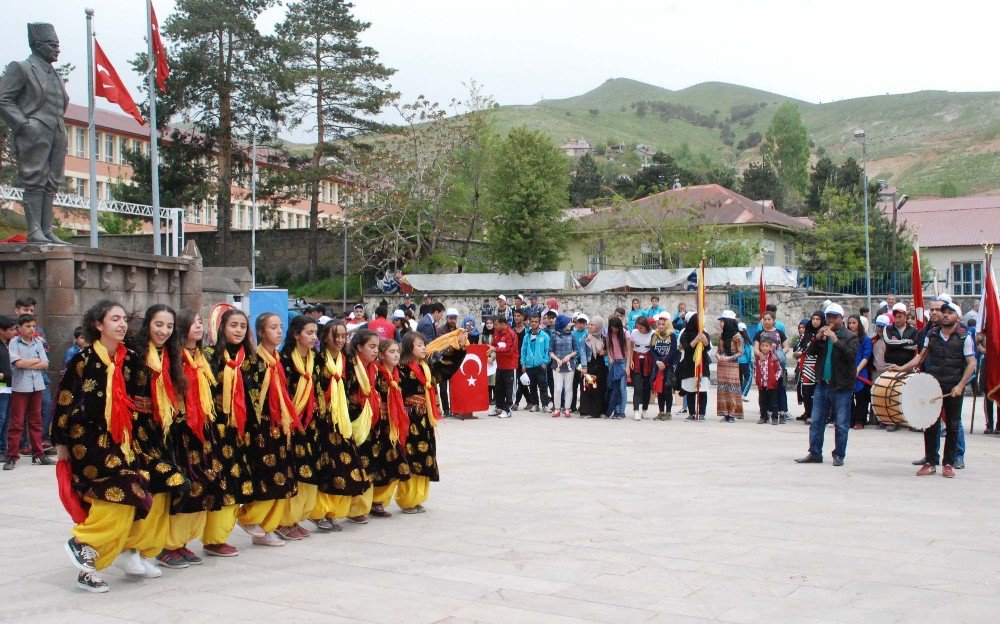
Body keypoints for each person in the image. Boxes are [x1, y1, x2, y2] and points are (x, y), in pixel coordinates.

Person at [54, 301, 154, 593]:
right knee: (121, 488)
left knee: (118, 500)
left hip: (120, 438)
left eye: (124, 319)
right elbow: (65, 400)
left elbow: (142, 399)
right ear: (98, 325)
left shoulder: (131, 359)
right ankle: (83, 541)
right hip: (87, 438)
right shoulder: (83, 360)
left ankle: (91, 566)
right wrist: (61, 442)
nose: (122, 324)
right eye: (114, 319)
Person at [158, 309, 227, 568]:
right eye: (193, 322)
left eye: (200, 322)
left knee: (204, 484)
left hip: (203, 429)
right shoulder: (173, 357)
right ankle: (167, 544)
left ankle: (183, 542)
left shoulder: (200, 357)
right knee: (184, 486)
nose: (198, 326)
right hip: (181, 431)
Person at [126, 305, 190, 572]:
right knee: (146, 486)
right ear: (147, 325)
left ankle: (145, 550)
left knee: (165, 490)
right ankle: (129, 548)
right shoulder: (133, 353)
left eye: (169, 326)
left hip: (162, 431)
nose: (164, 331)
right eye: (158, 324)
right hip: (136, 430)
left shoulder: (171, 355)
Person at [0, 23, 70, 244]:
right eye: (53, 45)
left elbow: (61, 101)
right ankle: (34, 231)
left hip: (57, 130)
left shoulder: (54, 74)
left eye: (58, 45)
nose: (58, 50)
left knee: (53, 181)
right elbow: (4, 99)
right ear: (38, 45)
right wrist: (24, 125)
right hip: (35, 130)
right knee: (34, 179)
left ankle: (47, 230)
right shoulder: (21, 68)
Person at [892, 301, 976, 478]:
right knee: (930, 424)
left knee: (953, 426)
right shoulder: (932, 334)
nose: (945, 315)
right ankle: (930, 461)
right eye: (943, 312)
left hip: (953, 386)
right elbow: (920, 358)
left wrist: (961, 385)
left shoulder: (964, 337)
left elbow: (971, 364)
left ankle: (949, 463)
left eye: (949, 312)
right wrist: (901, 368)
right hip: (933, 386)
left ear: (958, 317)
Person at [235, 313, 299, 547]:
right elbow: (248, 395)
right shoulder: (253, 360)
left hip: (280, 425)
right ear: (261, 332)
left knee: (283, 476)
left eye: (281, 327)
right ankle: (249, 517)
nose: (279, 331)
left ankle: (267, 528)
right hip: (261, 427)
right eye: (273, 327)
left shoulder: (278, 358)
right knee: (265, 476)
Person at [201, 309, 256, 557]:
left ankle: (219, 536)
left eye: (242, 326)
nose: (238, 330)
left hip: (241, 430)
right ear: (222, 327)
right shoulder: (210, 356)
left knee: (238, 482)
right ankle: (212, 539)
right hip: (216, 429)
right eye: (233, 325)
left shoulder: (250, 358)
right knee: (220, 483)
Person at [396, 330, 467, 512]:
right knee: (411, 457)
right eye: (418, 345)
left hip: (425, 419)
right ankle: (407, 499)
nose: (423, 348)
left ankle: (417, 498)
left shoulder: (426, 367)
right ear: (408, 348)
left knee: (425, 456)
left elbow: (445, 368)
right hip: (409, 420)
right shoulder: (401, 369)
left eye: (423, 344)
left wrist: (459, 347)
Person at [309, 321, 368, 531]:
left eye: (344, 336)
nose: (341, 340)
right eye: (336, 336)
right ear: (325, 337)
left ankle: (334, 511)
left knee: (345, 466)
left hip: (341, 421)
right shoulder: (316, 359)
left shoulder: (347, 360)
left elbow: (352, 387)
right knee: (325, 468)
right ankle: (318, 513)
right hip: (322, 422)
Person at [276, 315, 325, 540]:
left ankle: (297, 518)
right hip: (291, 423)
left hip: (311, 423)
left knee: (309, 470)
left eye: (315, 333)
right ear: (296, 335)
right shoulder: (283, 360)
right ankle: (284, 520)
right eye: (309, 333)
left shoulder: (316, 359)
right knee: (293, 471)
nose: (314, 337)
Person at [795, 303, 859, 467]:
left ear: (841, 319)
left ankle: (839, 455)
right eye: (828, 317)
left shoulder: (850, 336)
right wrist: (817, 338)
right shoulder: (822, 334)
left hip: (841, 386)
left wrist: (835, 340)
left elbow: (851, 356)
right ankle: (815, 452)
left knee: (841, 424)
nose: (831, 320)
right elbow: (810, 352)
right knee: (816, 421)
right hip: (823, 384)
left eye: (834, 317)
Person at [4, 313, 52, 468]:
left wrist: (28, 363)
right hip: (20, 387)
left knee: (36, 421)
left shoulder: (38, 343)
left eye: (33, 326)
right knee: (16, 423)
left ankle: (38, 454)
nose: (31, 329)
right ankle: (12, 456)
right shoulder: (14, 343)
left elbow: (45, 364)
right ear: (20, 328)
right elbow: (17, 364)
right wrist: (36, 360)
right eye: (28, 326)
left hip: (37, 385)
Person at [343, 329, 381, 523]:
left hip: (369, 418)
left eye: (377, 347)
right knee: (355, 464)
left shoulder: (373, 368)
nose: (375, 351)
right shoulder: (350, 366)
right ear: (358, 347)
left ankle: (362, 507)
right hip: (353, 418)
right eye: (371, 347)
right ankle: (351, 508)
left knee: (368, 463)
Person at [370, 339, 412, 516]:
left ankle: (380, 500)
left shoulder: (397, 374)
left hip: (393, 424)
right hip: (380, 425)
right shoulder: (376, 373)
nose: (396, 355)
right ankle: (373, 500)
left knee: (395, 461)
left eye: (397, 351)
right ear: (381, 355)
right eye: (391, 351)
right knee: (379, 461)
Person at [753, 311, 790, 421]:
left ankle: (782, 413)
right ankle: (766, 413)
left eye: (769, 319)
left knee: (780, 389)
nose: (766, 321)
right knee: (765, 391)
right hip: (764, 366)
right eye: (765, 319)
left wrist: (778, 356)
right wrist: (759, 354)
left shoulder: (779, 333)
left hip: (777, 366)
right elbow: (755, 348)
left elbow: (786, 347)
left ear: (774, 320)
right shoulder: (759, 334)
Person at [676, 314, 711, 421]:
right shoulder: (685, 334)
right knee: (691, 390)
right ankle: (691, 413)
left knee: (702, 390)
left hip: (702, 364)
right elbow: (686, 348)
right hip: (689, 364)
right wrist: (696, 340)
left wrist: (704, 340)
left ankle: (702, 413)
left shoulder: (704, 333)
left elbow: (708, 347)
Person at [716, 311, 744, 423]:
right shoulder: (722, 336)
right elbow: (718, 350)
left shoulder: (737, 336)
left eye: (722, 321)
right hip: (722, 366)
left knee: (732, 390)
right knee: (723, 390)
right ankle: (725, 413)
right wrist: (718, 356)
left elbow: (740, 352)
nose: (721, 324)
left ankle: (732, 414)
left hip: (732, 366)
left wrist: (729, 358)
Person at [794, 312, 823, 422]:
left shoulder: (823, 333)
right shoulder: (807, 333)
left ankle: (817, 415)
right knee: (806, 390)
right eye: (813, 319)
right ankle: (808, 413)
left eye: (818, 319)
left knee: (817, 391)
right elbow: (801, 348)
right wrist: (798, 353)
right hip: (806, 365)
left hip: (818, 365)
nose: (815, 321)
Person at [548, 316, 578, 418]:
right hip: (557, 366)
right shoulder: (554, 336)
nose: (570, 324)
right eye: (568, 323)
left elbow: (576, 350)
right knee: (558, 388)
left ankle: (567, 409)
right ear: (563, 325)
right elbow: (550, 351)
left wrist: (569, 356)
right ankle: (557, 409)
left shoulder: (572, 335)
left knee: (569, 388)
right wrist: (557, 359)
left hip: (570, 366)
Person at [520, 315, 550, 412]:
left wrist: (545, 362)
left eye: (536, 322)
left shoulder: (544, 336)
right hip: (529, 366)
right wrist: (523, 364)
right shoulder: (526, 336)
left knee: (543, 386)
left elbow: (548, 350)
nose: (533, 323)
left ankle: (545, 405)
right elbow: (523, 351)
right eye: (532, 321)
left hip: (540, 365)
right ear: (529, 322)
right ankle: (535, 404)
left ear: (539, 322)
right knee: (532, 387)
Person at [578, 316, 607, 419]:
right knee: (587, 388)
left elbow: (608, 351)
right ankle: (585, 412)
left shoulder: (603, 337)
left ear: (599, 326)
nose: (589, 326)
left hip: (600, 366)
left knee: (598, 389)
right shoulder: (585, 338)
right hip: (589, 366)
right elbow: (582, 353)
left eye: (592, 325)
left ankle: (596, 412)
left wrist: (604, 352)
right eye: (589, 324)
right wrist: (584, 367)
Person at [627, 316, 655, 420]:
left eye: (641, 328)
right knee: (637, 387)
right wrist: (630, 360)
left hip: (648, 360)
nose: (639, 329)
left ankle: (645, 409)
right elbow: (630, 347)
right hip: (636, 359)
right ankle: (636, 410)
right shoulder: (634, 332)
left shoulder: (653, 333)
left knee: (647, 387)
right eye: (638, 327)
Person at [651, 313, 678, 420]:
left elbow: (673, 350)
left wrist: (664, 362)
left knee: (667, 389)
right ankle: (661, 411)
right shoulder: (655, 335)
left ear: (667, 325)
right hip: (658, 365)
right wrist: (657, 361)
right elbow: (652, 350)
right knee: (659, 390)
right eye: (659, 324)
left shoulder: (672, 335)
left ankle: (668, 412)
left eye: (663, 324)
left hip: (668, 365)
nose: (661, 326)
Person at [490, 316, 518, 419]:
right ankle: (499, 408)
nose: (494, 326)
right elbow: (492, 345)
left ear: (503, 324)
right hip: (500, 365)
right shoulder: (497, 333)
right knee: (499, 388)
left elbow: (509, 349)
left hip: (510, 366)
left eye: (496, 324)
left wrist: (495, 349)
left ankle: (508, 410)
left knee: (509, 389)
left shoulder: (511, 334)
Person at [848, 314, 873, 430]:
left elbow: (866, 356)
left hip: (861, 372)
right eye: (850, 323)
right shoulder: (846, 338)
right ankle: (851, 420)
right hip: (848, 372)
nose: (851, 325)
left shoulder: (866, 340)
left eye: (854, 323)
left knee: (861, 398)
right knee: (848, 398)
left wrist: (857, 369)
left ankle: (860, 421)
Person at [604, 316, 629, 419]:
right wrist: (610, 357)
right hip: (614, 362)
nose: (614, 330)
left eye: (616, 328)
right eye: (612, 328)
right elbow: (608, 347)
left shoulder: (625, 333)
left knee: (622, 387)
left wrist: (627, 366)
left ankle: (622, 411)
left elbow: (629, 351)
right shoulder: (609, 333)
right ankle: (616, 411)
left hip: (623, 361)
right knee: (614, 387)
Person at [755, 336, 782, 425]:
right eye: (763, 346)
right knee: (762, 402)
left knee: (773, 402)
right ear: (760, 347)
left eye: (767, 346)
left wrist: (775, 378)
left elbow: (779, 369)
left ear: (770, 347)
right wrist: (757, 379)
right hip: (762, 384)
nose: (765, 347)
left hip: (771, 384)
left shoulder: (773, 358)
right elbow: (755, 368)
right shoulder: (758, 358)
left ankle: (774, 418)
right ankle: (763, 417)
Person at [0, 316, 15, 458]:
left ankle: (3, 448)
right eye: (10, 330)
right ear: (1, 331)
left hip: (8, 387)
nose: (14, 332)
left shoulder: (8, 344)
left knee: (5, 420)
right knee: (1, 418)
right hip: (1, 386)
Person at [569, 314, 590, 412]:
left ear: (586, 324)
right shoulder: (573, 333)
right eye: (579, 323)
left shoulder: (587, 334)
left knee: (583, 386)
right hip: (574, 361)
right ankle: (572, 406)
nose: (581, 325)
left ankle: (583, 406)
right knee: (573, 385)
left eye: (583, 323)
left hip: (583, 363)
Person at [737, 322, 754, 399]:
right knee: (748, 378)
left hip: (737, 361)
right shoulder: (746, 340)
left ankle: (739, 393)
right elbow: (748, 352)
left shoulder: (736, 339)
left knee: (739, 378)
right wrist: (751, 361)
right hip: (745, 362)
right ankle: (743, 394)